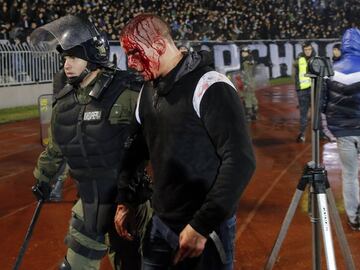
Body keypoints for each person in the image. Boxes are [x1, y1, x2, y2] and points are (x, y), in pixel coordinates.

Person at [114, 14, 256, 270]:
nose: (131, 63)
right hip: (161, 223)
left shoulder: (210, 86)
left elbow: (240, 161)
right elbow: (136, 149)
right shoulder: (148, 90)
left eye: (135, 53)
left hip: (206, 230)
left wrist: (202, 225)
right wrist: (126, 198)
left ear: (159, 46)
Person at [31, 15, 151, 269]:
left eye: (74, 57)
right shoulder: (64, 104)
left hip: (129, 203)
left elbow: (163, 138)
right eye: (64, 58)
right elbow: (57, 148)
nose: (67, 65)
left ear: (92, 55)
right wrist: (43, 177)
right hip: (89, 203)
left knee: (136, 264)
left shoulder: (129, 91)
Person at [324, 27, 360, 231]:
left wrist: (331, 128)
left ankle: (354, 218)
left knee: (349, 174)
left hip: (343, 133)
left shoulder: (331, 70)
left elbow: (322, 103)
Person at [293, 41, 316, 142]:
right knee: (303, 113)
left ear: (312, 49)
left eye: (309, 49)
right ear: (303, 50)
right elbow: (294, 73)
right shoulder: (298, 59)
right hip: (302, 90)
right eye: (306, 50)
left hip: (314, 89)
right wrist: (297, 87)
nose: (308, 51)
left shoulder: (316, 59)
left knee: (316, 113)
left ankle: (320, 133)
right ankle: (302, 133)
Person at [240, 46, 258, 121]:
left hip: (248, 82)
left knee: (248, 98)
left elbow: (246, 74)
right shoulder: (251, 60)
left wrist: (246, 84)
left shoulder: (246, 62)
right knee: (252, 96)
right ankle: (254, 113)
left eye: (244, 52)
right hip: (252, 81)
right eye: (242, 52)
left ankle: (249, 115)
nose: (242, 53)